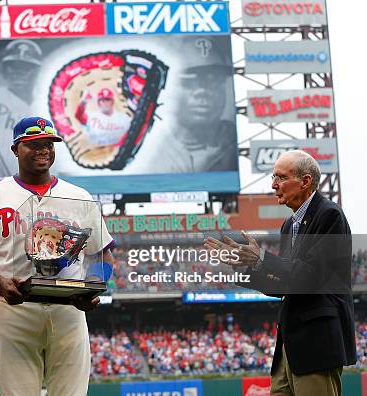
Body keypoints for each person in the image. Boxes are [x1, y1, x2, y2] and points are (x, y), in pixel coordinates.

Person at [0, 116, 115, 396]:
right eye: (34, 144)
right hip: (15, 308)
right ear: (15, 149)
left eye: (49, 144)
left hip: (69, 310)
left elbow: (103, 255)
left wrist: (93, 285)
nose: (43, 150)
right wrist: (0, 283)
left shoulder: (79, 197)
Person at [205, 150, 356, 396]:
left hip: (316, 342)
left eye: (281, 177)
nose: (274, 185)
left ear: (305, 181)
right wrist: (243, 266)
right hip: (291, 344)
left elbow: (309, 278)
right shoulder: (289, 224)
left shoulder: (329, 215)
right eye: (273, 177)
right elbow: (283, 285)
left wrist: (262, 258)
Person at [149, 37, 237, 173]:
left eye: (213, 81)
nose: (202, 92)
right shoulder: (147, 148)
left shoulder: (240, 142)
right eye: (189, 82)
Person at [0, 39, 43, 180]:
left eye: (26, 67)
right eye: (13, 66)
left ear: (36, 72)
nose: (18, 72)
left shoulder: (42, 111)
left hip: (28, 185)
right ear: (4, 70)